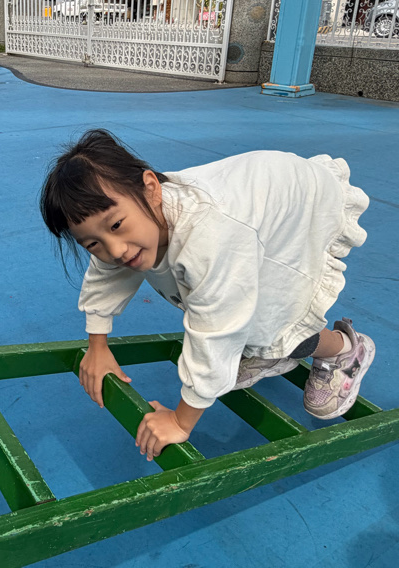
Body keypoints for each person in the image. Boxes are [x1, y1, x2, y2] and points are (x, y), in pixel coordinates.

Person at [40, 129, 374, 461]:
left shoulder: (209, 236)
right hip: (253, 202)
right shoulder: (135, 220)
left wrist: (180, 420)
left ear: (151, 189)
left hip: (298, 204)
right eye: (92, 243)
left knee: (274, 321)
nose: (115, 249)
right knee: (239, 306)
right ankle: (266, 350)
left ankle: (346, 349)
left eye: (115, 226)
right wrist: (97, 345)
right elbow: (106, 273)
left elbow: (217, 326)